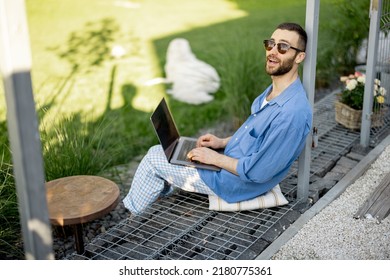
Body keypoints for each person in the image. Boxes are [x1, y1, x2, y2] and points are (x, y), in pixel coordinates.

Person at [123, 22, 312, 216]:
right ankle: (160, 189)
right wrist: (221, 142)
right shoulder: (277, 91)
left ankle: (130, 215)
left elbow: (258, 172)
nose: (273, 51)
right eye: (270, 44)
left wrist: (215, 158)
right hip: (228, 162)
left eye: (283, 47)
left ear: (299, 56)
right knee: (175, 150)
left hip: (231, 183)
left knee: (154, 157)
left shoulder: (291, 114)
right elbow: (255, 136)